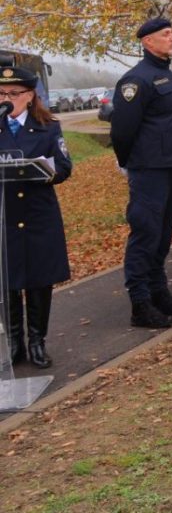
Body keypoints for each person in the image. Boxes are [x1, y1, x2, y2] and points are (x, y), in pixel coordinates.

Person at [111, 18, 172, 325]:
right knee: (146, 234)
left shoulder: (169, 75)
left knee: (163, 235)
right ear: (147, 42)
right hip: (148, 170)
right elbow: (123, 131)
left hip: (170, 167)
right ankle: (140, 303)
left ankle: (158, 292)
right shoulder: (136, 80)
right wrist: (129, 164)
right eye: (166, 34)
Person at [1, 66, 72, 367]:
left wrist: (44, 170)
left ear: (30, 96)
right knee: (7, 281)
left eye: (14, 94)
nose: (7, 99)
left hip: (37, 214)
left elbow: (65, 166)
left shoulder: (48, 126)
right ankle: (14, 343)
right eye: (2, 93)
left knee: (39, 281)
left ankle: (37, 342)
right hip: (4, 217)